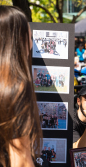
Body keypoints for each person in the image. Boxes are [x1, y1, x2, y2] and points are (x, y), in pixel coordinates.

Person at [0, 6, 42, 167]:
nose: (32, 44)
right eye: (29, 37)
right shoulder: (14, 88)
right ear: (17, 40)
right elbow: (21, 160)